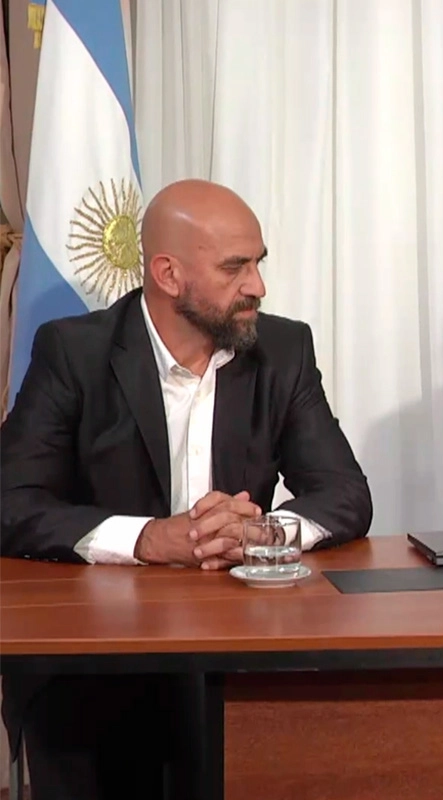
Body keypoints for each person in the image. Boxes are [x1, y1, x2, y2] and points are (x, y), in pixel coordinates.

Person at [0, 179, 372, 799]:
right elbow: (11, 500)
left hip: (239, 646)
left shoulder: (283, 350)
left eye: (258, 263)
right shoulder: (75, 352)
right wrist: (149, 539)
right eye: (235, 267)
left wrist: (263, 532)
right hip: (97, 653)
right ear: (168, 274)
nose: (258, 286)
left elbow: (345, 494)